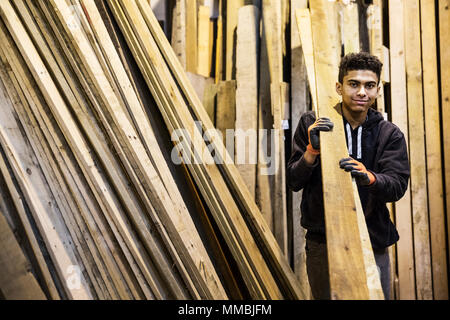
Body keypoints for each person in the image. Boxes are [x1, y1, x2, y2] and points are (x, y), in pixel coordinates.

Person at [287, 52, 410, 300]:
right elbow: (293, 181)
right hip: (323, 241)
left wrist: (370, 178)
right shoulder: (314, 123)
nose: (362, 92)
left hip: (373, 238)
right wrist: (312, 151)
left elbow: (397, 185)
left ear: (377, 91)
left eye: (369, 85)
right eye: (354, 84)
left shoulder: (389, 133)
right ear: (339, 87)